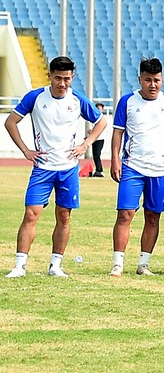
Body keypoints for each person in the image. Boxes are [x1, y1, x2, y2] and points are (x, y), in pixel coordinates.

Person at [6, 55, 109, 279]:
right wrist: (25, 150)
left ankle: (55, 266)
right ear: (50, 76)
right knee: (31, 214)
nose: (62, 84)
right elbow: (10, 122)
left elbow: (101, 121)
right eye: (58, 78)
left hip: (68, 168)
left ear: (72, 78)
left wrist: (86, 144)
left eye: (67, 79)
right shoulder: (35, 97)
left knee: (64, 216)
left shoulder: (77, 100)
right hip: (43, 167)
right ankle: (19, 265)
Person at [110, 57, 164, 277]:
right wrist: (115, 158)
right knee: (125, 214)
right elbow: (117, 132)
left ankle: (143, 263)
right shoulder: (127, 102)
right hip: (132, 167)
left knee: (153, 216)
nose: (153, 85)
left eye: (157, 80)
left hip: (160, 169)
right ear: (140, 80)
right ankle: (118, 263)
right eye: (148, 80)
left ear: (162, 80)